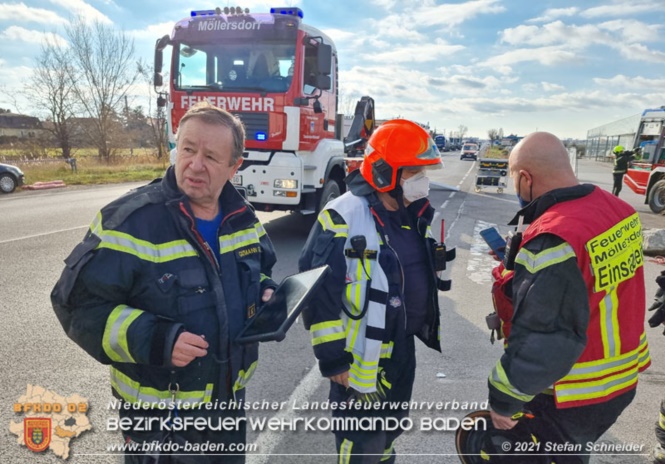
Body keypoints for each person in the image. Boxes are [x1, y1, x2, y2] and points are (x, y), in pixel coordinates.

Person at [51, 101, 277, 463]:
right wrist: (157, 339)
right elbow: (76, 305)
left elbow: (255, 272)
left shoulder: (243, 218)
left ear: (235, 166)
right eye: (187, 149)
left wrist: (265, 293)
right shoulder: (130, 221)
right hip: (160, 419)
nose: (195, 165)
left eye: (211, 156)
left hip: (227, 406)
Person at [483, 132, 651, 463]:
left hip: (570, 391)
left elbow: (544, 334)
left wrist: (504, 399)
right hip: (619, 382)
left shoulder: (555, 237)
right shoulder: (619, 210)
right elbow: (590, 281)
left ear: (525, 178)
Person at [298, 119, 455, 463]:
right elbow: (315, 292)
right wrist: (333, 359)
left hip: (402, 351)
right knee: (361, 447)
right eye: (415, 172)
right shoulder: (342, 216)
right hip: (360, 359)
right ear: (385, 173)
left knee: (387, 435)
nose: (422, 181)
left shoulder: (411, 214)